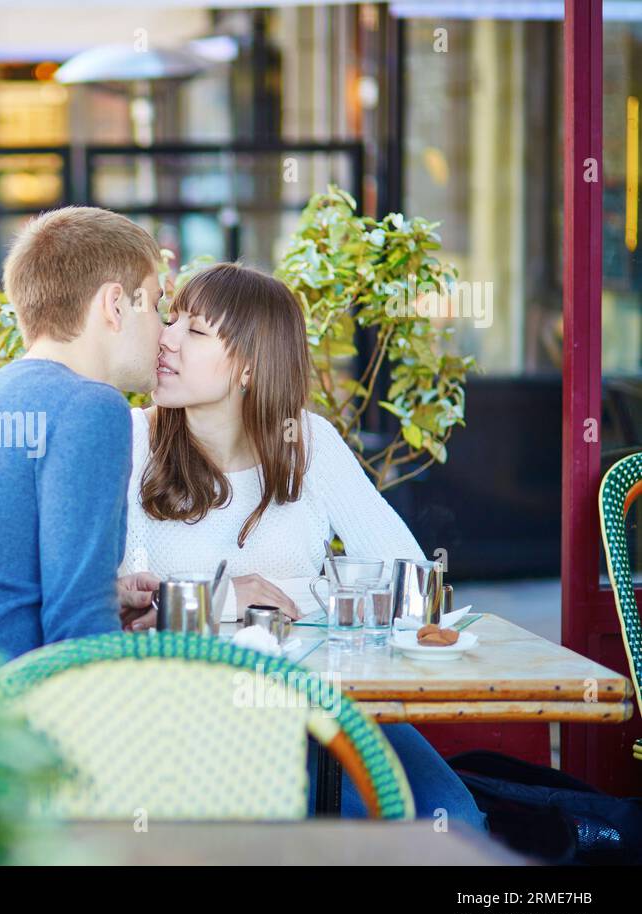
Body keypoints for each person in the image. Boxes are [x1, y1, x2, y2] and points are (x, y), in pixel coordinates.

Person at [119, 261, 486, 829]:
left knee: (452, 821)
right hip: (186, 716)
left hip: (324, 705)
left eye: (194, 331)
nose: (165, 339)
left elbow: (415, 581)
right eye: (171, 321)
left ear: (249, 367)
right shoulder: (132, 441)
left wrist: (312, 593)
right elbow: (125, 612)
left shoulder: (307, 441)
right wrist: (227, 596)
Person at [0, 206, 165, 662]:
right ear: (115, 304)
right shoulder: (92, 407)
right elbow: (79, 636)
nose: (164, 329)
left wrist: (105, 596)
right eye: (156, 303)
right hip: (20, 714)